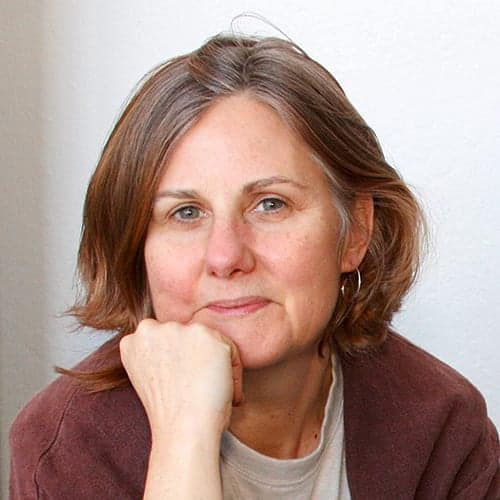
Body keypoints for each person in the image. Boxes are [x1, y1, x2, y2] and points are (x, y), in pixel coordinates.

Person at [9, 33, 499, 500]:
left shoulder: (442, 424)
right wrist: (184, 441)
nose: (226, 257)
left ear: (355, 232)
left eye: (270, 204)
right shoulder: (67, 445)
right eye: (186, 213)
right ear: (135, 247)